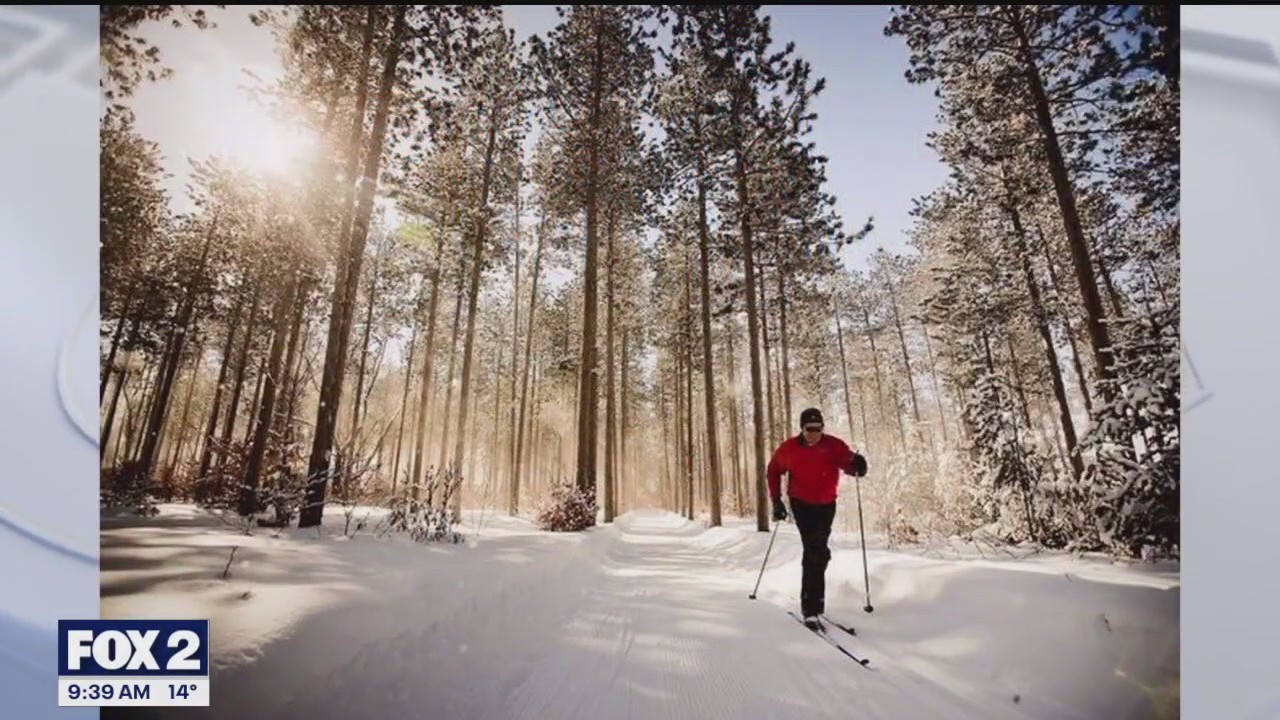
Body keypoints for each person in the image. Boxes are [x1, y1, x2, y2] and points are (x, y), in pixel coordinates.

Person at [767, 407, 868, 628]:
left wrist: (858, 466)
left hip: (826, 504)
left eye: (817, 428)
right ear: (801, 429)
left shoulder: (833, 446)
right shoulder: (789, 448)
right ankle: (810, 608)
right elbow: (773, 470)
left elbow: (849, 464)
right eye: (809, 429)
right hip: (801, 503)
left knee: (820, 552)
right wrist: (776, 501)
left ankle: (816, 602)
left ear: (822, 428)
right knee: (813, 549)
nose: (813, 433)